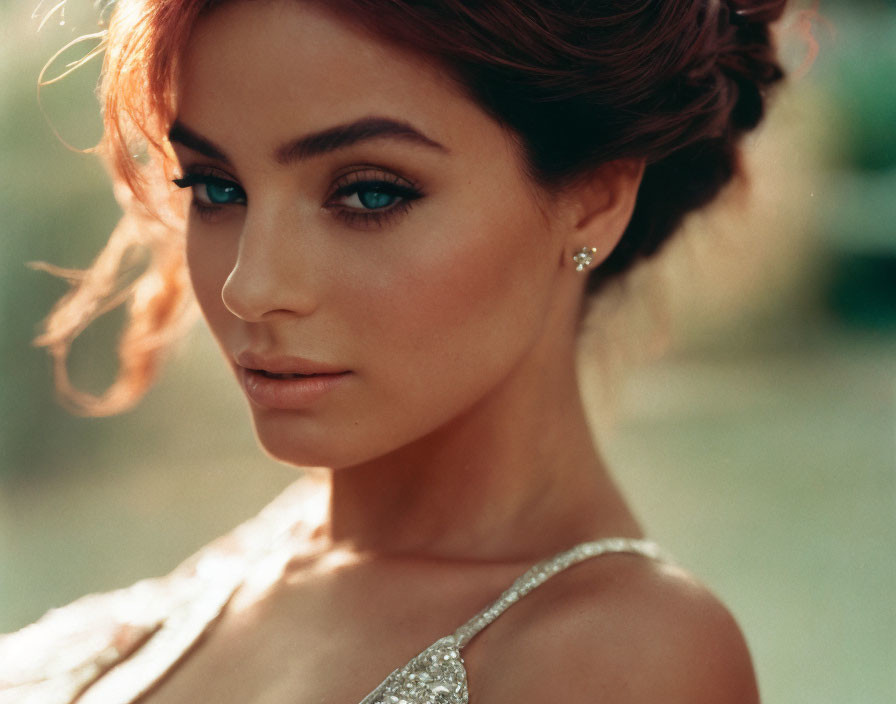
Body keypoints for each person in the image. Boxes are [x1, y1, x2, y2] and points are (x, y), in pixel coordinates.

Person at [1, 0, 788, 702]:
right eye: (215, 186)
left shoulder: (626, 658)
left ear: (595, 198)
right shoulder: (258, 556)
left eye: (371, 192)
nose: (250, 286)